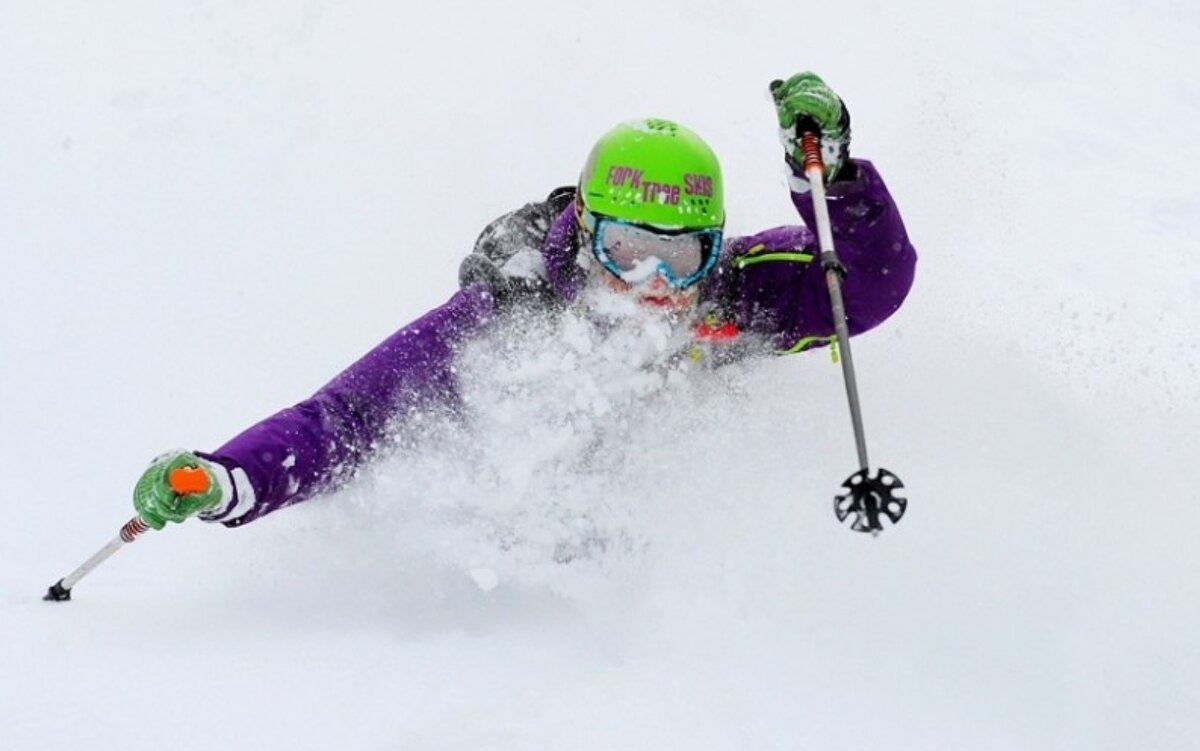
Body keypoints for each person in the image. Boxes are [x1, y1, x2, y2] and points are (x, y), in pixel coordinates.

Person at [132, 72, 917, 531]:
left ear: (710, 249)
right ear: (584, 232)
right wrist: (233, 475)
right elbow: (348, 419)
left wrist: (833, 176)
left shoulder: (736, 296)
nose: (648, 283)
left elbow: (869, 284)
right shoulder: (505, 319)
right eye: (624, 251)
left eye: (676, 257)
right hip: (523, 530)